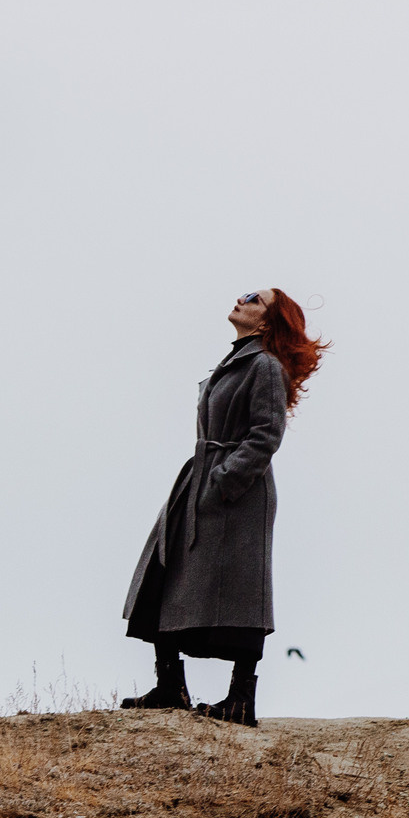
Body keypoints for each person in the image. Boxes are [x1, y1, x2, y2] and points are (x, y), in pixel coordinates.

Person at [119, 289, 327, 726]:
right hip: (201, 478)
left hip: (238, 493)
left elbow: (266, 435)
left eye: (253, 298)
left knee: (241, 592)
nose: (241, 298)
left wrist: (225, 480)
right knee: (165, 567)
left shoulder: (265, 366)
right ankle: (170, 686)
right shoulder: (236, 362)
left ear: (268, 321)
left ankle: (240, 701)